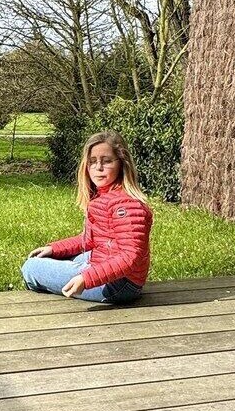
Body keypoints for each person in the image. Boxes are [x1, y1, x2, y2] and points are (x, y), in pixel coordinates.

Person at [22, 130, 152, 304]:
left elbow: (131, 257)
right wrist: (54, 249)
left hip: (120, 285)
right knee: (47, 257)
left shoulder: (126, 205)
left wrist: (86, 278)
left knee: (31, 267)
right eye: (92, 162)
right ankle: (66, 273)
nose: (98, 168)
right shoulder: (104, 196)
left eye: (106, 161)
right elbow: (90, 240)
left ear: (121, 163)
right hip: (108, 267)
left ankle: (53, 281)